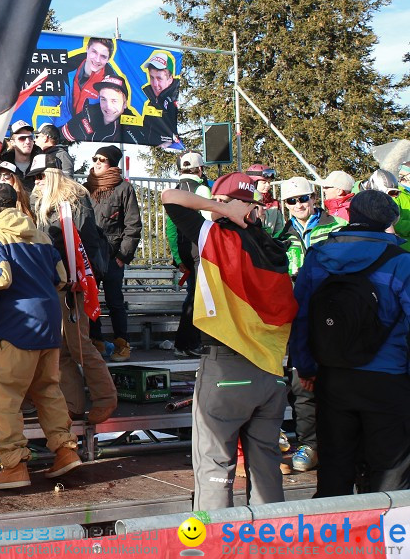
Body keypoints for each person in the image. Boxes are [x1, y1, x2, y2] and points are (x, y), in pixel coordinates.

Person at [161, 173, 298, 511]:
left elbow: (169, 196)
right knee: (266, 467)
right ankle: (274, 542)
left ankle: (213, 546)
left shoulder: (214, 238)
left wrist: (216, 207)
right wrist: (240, 209)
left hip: (227, 369)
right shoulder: (274, 248)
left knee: (215, 468)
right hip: (270, 372)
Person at [0, 182, 82, 490]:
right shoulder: (40, 234)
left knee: (4, 399)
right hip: (50, 321)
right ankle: (65, 450)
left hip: (18, 324)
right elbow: (62, 278)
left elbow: (1, 277)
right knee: (48, 390)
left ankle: (13, 466)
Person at [289, 191, 410, 497]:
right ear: (389, 221)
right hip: (388, 377)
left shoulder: (319, 255)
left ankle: (334, 537)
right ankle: (390, 539)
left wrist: (306, 365)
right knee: (391, 467)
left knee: (334, 463)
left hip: (332, 373)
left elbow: (301, 315)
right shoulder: (401, 262)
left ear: (351, 215)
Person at [30, 153, 117, 426]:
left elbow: (87, 242)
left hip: (74, 281)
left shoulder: (75, 200)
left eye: (41, 175)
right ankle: (73, 404)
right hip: (53, 281)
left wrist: (79, 278)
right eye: (34, 176)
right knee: (62, 347)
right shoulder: (40, 202)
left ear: (54, 175)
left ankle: (106, 398)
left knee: (79, 344)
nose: (37, 181)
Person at [275, 176, 344, 474]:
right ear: (284, 205)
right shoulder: (280, 234)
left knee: (334, 381)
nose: (299, 205)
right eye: (292, 201)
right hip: (294, 314)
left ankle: (336, 442)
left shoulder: (336, 227)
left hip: (332, 314)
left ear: (314, 198)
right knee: (300, 381)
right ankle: (309, 443)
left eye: (304, 198)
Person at [85, 145, 142, 361]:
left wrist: (122, 256)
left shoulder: (124, 189)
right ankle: (96, 340)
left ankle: (122, 343)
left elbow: (133, 225)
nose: (96, 163)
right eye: (95, 158)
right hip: (90, 253)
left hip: (112, 255)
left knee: (115, 301)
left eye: (102, 160)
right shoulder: (85, 188)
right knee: (90, 299)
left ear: (112, 164)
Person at [165, 152, 211, 358]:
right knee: (199, 298)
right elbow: (210, 220)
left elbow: (171, 229)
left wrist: (177, 257)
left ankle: (185, 342)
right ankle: (188, 343)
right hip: (199, 248)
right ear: (200, 169)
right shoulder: (202, 189)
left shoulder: (175, 192)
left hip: (183, 250)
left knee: (193, 296)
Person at [62, 76, 143, 144]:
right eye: (103, 99)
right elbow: (62, 138)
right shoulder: (88, 112)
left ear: (125, 104)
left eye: (114, 101)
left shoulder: (134, 129)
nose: (108, 106)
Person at [139, 51, 180, 147]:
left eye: (159, 78)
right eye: (152, 77)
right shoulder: (152, 100)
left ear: (170, 79)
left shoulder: (172, 103)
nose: (155, 84)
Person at [0, 121, 41, 192]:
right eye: (22, 138)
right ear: (12, 142)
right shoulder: (3, 166)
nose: (28, 141)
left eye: (30, 137)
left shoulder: (43, 163)